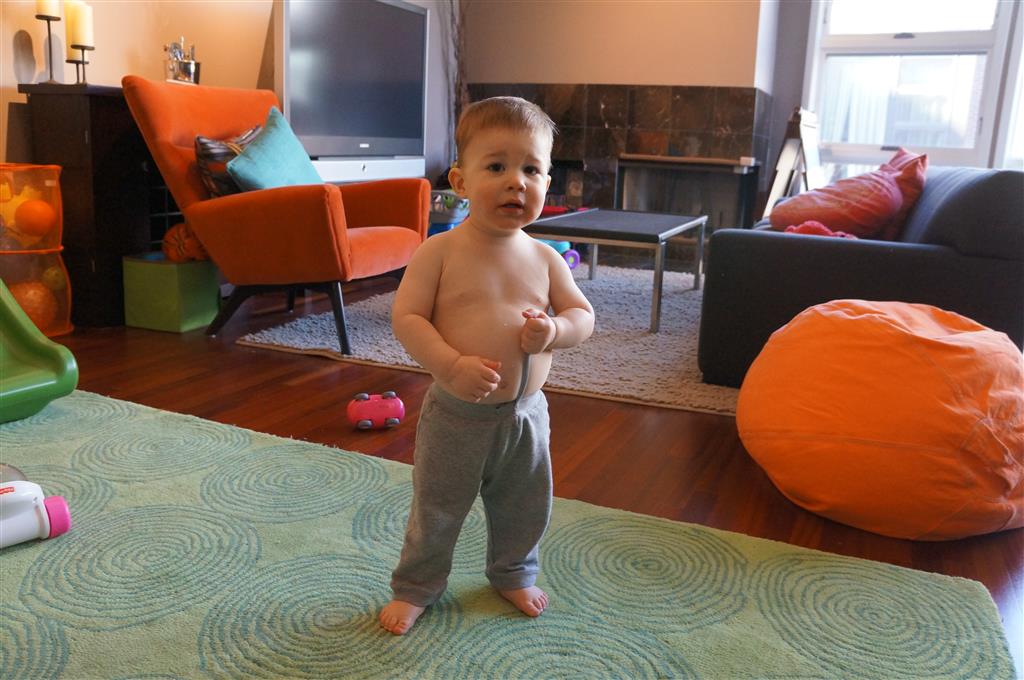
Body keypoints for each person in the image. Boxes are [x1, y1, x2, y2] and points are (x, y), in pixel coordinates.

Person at [379, 97, 595, 635]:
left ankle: (513, 572)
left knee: (526, 505)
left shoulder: (546, 258)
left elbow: (583, 316)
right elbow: (407, 317)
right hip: (458, 416)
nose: (516, 182)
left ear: (548, 182)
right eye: (496, 166)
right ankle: (417, 586)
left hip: (526, 417)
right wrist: (450, 365)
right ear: (460, 180)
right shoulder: (439, 251)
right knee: (438, 507)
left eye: (532, 169)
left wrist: (555, 331)